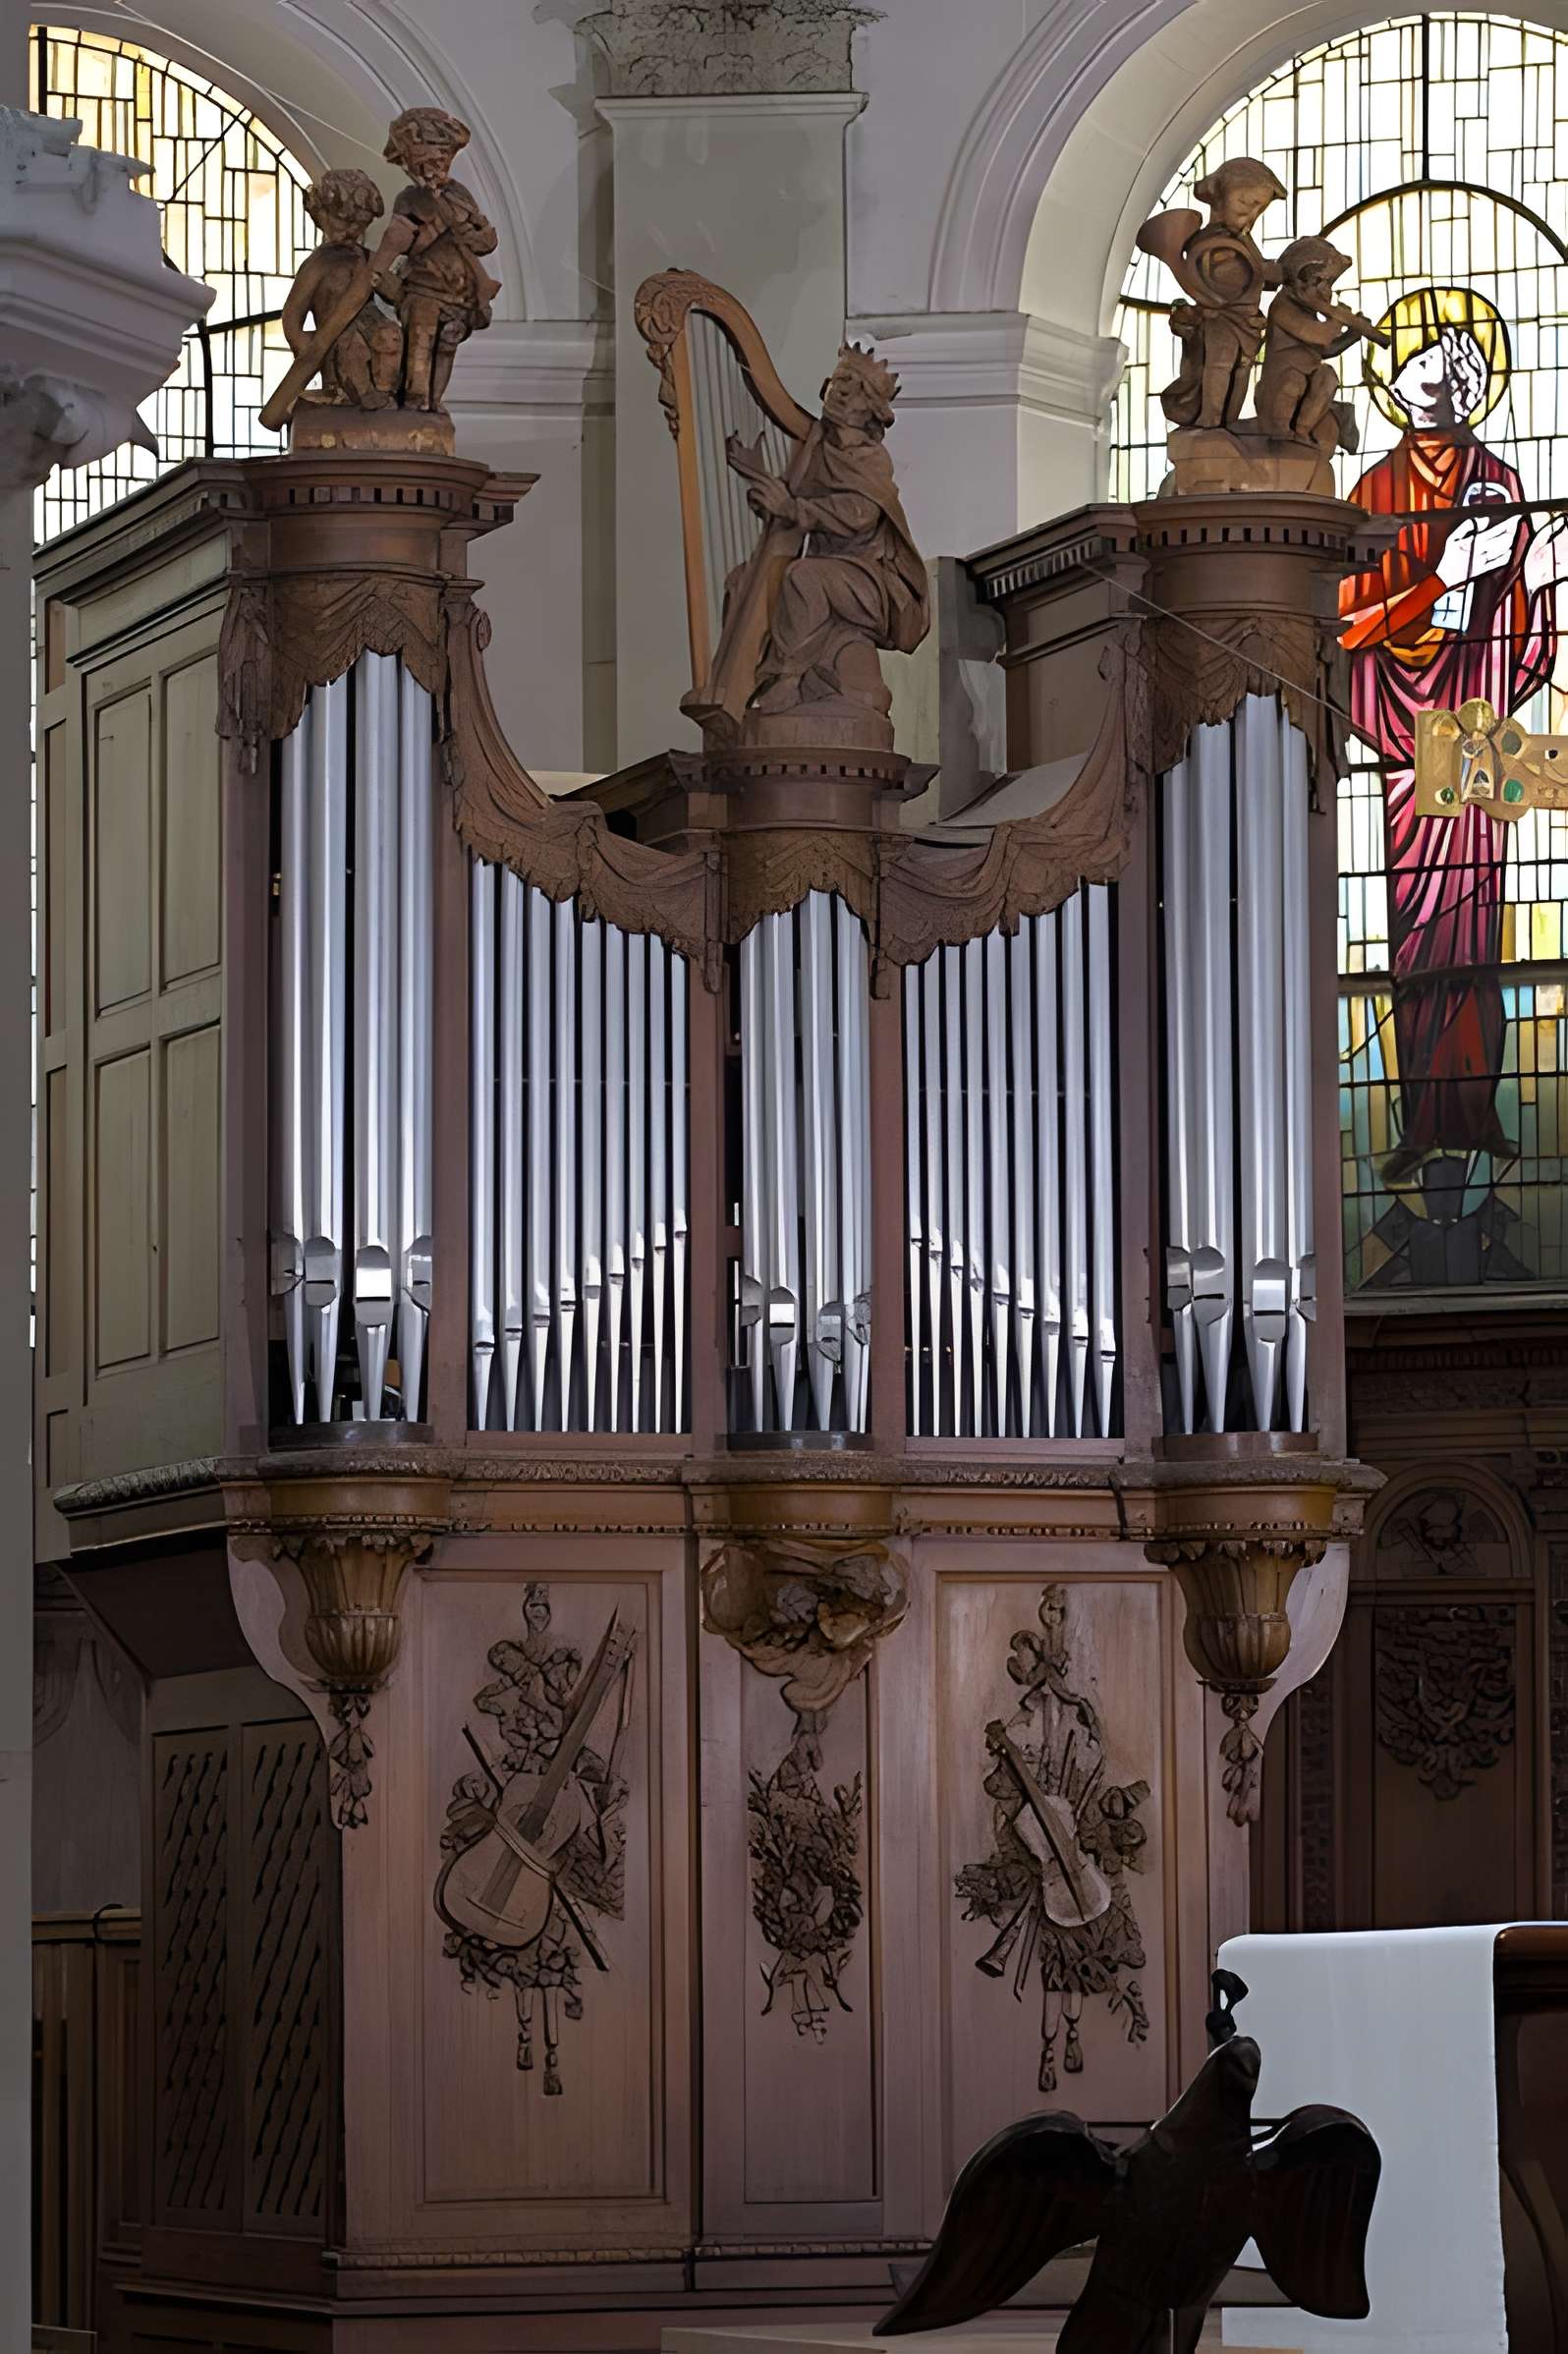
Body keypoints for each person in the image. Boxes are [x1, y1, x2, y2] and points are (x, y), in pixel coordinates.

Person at [1340, 310, 1568, 1179]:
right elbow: (1345, 621)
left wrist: (1533, 582)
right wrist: (1445, 576)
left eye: (1456, 372)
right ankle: (1420, 1118)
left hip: (1474, 738)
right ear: (1394, 386)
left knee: (1477, 923)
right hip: (1408, 742)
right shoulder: (1372, 492)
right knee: (1421, 928)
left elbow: (1518, 627)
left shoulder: (1500, 478)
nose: (1440, 386)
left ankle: (1476, 1113)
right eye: (1423, 372)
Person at [727, 341, 928, 722]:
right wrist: (760, 482)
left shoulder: (870, 458)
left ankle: (787, 678)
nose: (841, 392)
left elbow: (860, 514)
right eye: (838, 381)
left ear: (872, 407)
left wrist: (794, 509)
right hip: (833, 567)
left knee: (804, 577)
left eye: (854, 387)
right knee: (743, 580)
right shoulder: (817, 446)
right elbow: (794, 503)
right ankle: (740, 687)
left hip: (869, 577)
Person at [282, 167, 403, 411]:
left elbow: (395, 292)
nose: (351, 232)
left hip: (370, 321)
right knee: (351, 346)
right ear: (321, 214)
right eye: (343, 222)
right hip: (336, 334)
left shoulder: (367, 259)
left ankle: (385, 391)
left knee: (391, 335)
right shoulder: (317, 265)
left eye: (359, 226)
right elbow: (292, 315)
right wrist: (303, 345)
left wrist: (401, 292)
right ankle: (364, 394)